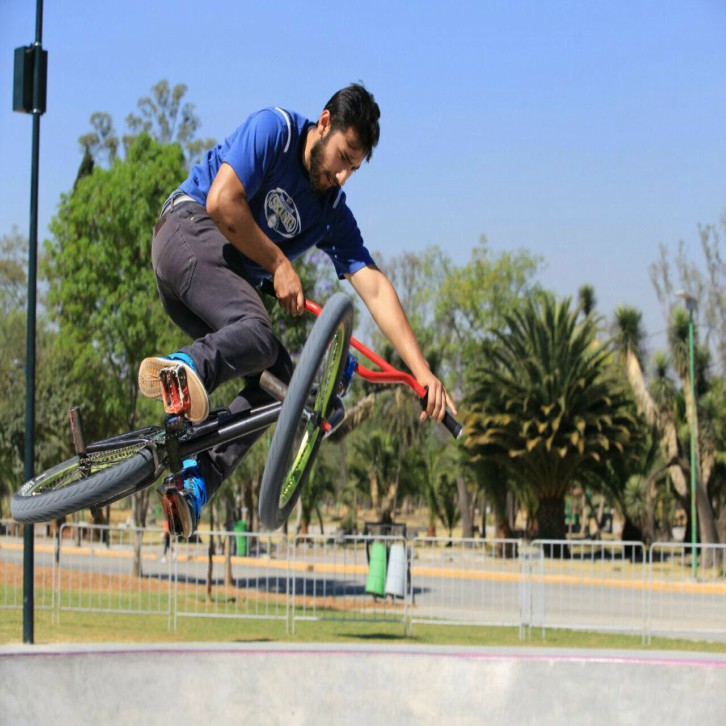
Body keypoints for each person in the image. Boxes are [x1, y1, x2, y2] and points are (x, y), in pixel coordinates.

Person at [139, 83, 456, 538]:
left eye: (353, 168)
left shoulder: (330, 213)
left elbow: (375, 288)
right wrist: (277, 263)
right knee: (260, 332)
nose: (342, 175)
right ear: (324, 124)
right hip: (187, 232)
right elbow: (222, 202)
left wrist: (421, 372)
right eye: (342, 158)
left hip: (214, 286)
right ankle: (183, 371)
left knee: (281, 380)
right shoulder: (276, 131)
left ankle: (193, 482)